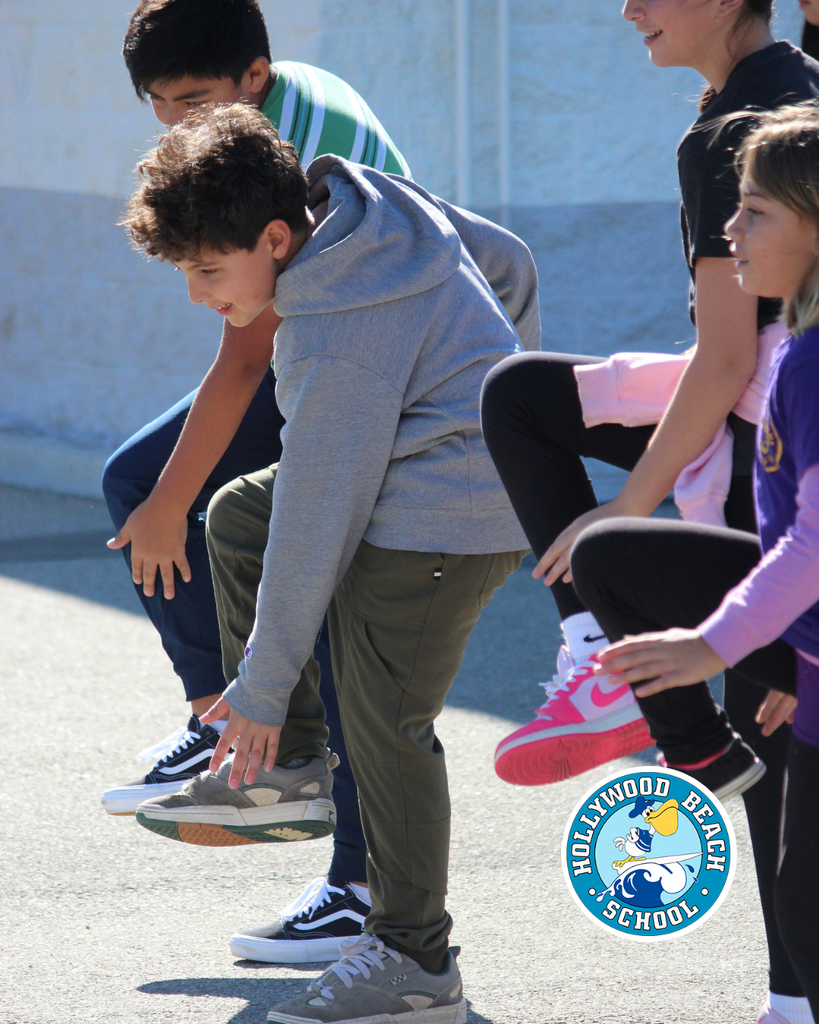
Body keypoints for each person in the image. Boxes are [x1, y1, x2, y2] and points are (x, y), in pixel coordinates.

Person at [122, 102, 537, 1024]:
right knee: (236, 514)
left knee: (384, 718)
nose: (198, 295)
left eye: (206, 270)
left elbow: (318, 516)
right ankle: (298, 760)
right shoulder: (364, 201)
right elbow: (507, 257)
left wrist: (260, 688)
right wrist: (506, 380)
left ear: (274, 237)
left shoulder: (332, 329)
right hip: (430, 461)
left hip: (450, 513)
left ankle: (414, 960)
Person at [480, 2, 818, 1021]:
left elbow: (725, 360)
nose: (627, 7)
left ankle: (618, 665)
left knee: (778, 745)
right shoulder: (778, 91)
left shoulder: (741, 139)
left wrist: (628, 507)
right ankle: (606, 656)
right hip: (755, 418)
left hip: (766, 434)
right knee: (526, 397)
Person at [99, 0, 410, 963]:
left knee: (338, 629)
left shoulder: (289, 153)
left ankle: (339, 849)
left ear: (256, 78)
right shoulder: (268, 116)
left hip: (384, 377)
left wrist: (166, 507)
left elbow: (245, 358)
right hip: (344, 358)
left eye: (193, 99)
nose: (177, 124)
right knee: (151, 485)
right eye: (158, 104)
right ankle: (226, 719)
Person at [571, 102, 819, 1023]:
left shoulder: (812, 364)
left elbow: (813, 542)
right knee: (801, 909)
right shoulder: (794, 347)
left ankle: (700, 748)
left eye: (754, 211)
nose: (729, 228)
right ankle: (706, 753)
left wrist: (713, 648)